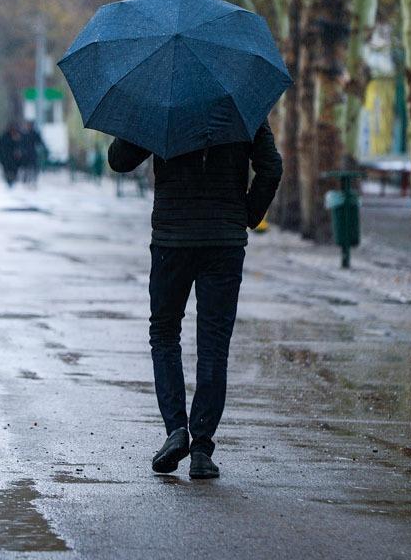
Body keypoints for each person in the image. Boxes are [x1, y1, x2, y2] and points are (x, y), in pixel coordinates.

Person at [108, 122, 281, 479]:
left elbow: (119, 160)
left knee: (165, 334)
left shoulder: (163, 105)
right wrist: (247, 213)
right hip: (224, 242)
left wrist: (141, 120)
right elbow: (271, 166)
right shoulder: (240, 106)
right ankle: (202, 446)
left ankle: (176, 430)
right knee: (214, 344)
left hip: (173, 237)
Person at [0, 122, 24, 188]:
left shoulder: (18, 136)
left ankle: (12, 180)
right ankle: (9, 181)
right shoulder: (4, 137)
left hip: (14, 159)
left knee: (14, 170)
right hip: (5, 158)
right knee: (7, 170)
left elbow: (21, 145)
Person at [19, 120, 46, 187]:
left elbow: (40, 141)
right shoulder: (24, 134)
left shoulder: (34, 133)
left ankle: (33, 180)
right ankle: (26, 179)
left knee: (34, 167)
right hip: (25, 154)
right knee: (26, 168)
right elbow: (21, 143)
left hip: (32, 153)